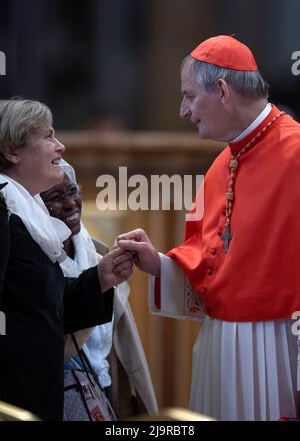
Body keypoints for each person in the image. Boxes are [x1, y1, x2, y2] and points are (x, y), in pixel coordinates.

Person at [114, 35, 300, 421]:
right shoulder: (223, 164)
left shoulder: (296, 152)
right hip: (221, 347)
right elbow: (213, 269)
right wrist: (159, 264)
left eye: (189, 96)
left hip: (281, 350)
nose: (183, 111)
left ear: (221, 90)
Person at [0, 98, 133, 420]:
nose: (60, 146)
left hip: (35, 392)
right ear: (12, 151)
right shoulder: (4, 214)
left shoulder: (29, 216)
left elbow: (41, 309)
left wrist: (100, 277)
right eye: (47, 136)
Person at [40, 161, 158, 419]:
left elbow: (118, 351)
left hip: (103, 390)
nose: (70, 203)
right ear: (35, 206)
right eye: (55, 198)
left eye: (72, 191)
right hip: (53, 399)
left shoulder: (100, 254)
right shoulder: (31, 264)